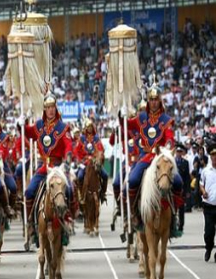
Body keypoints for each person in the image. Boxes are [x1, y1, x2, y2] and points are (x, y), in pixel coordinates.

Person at [120, 83, 184, 225]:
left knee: (178, 182)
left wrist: (167, 146)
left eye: (156, 99)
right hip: (145, 157)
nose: (154, 102)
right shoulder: (141, 117)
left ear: (160, 101)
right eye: (151, 99)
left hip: (161, 158)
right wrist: (121, 115)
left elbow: (169, 137)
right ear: (148, 101)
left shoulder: (166, 119)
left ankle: (174, 214)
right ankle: (133, 214)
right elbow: (127, 124)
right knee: (132, 181)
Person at [19, 92, 76, 224]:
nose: (50, 110)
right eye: (48, 107)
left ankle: (68, 217)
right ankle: (31, 222)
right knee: (29, 191)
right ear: (44, 109)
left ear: (56, 108)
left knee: (69, 189)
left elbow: (68, 145)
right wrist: (21, 123)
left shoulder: (63, 127)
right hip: (44, 166)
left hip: (58, 167)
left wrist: (68, 158)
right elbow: (27, 132)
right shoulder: (38, 125)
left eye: (52, 107)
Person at [75, 118, 108, 203]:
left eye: (90, 127)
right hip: (84, 163)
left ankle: (103, 193)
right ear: (85, 128)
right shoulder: (82, 138)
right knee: (79, 176)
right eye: (88, 127)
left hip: (95, 162)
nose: (89, 128)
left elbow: (100, 149)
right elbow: (77, 151)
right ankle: (81, 195)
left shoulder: (96, 138)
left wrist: (97, 157)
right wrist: (80, 161)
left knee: (105, 175)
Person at [0, 110, 18, 211]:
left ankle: (10, 207)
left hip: (2, 163)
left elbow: (3, 148)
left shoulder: (4, 136)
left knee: (13, 187)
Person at [175, 144, 191, 232]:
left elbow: (187, 177)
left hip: (182, 189)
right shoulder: (172, 162)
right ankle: (173, 225)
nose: (179, 153)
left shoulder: (185, 162)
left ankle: (181, 225)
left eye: (180, 152)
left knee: (181, 208)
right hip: (174, 189)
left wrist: (188, 190)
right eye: (177, 152)